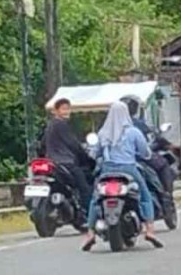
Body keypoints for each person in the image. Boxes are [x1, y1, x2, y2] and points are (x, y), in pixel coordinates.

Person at [81, 102, 163, 252]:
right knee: (145, 196)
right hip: (128, 170)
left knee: (95, 199)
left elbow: (95, 153)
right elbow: (145, 152)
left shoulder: (103, 133)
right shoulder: (133, 132)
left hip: (107, 171)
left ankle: (90, 233)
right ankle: (150, 230)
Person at [40, 98, 92, 226]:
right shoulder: (61, 125)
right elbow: (73, 144)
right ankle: (88, 216)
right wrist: (86, 157)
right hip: (66, 163)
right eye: (63, 109)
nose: (66, 112)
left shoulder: (50, 126)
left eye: (68, 109)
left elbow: (42, 145)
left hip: (52, 162)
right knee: (84, 188)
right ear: (56, 111)